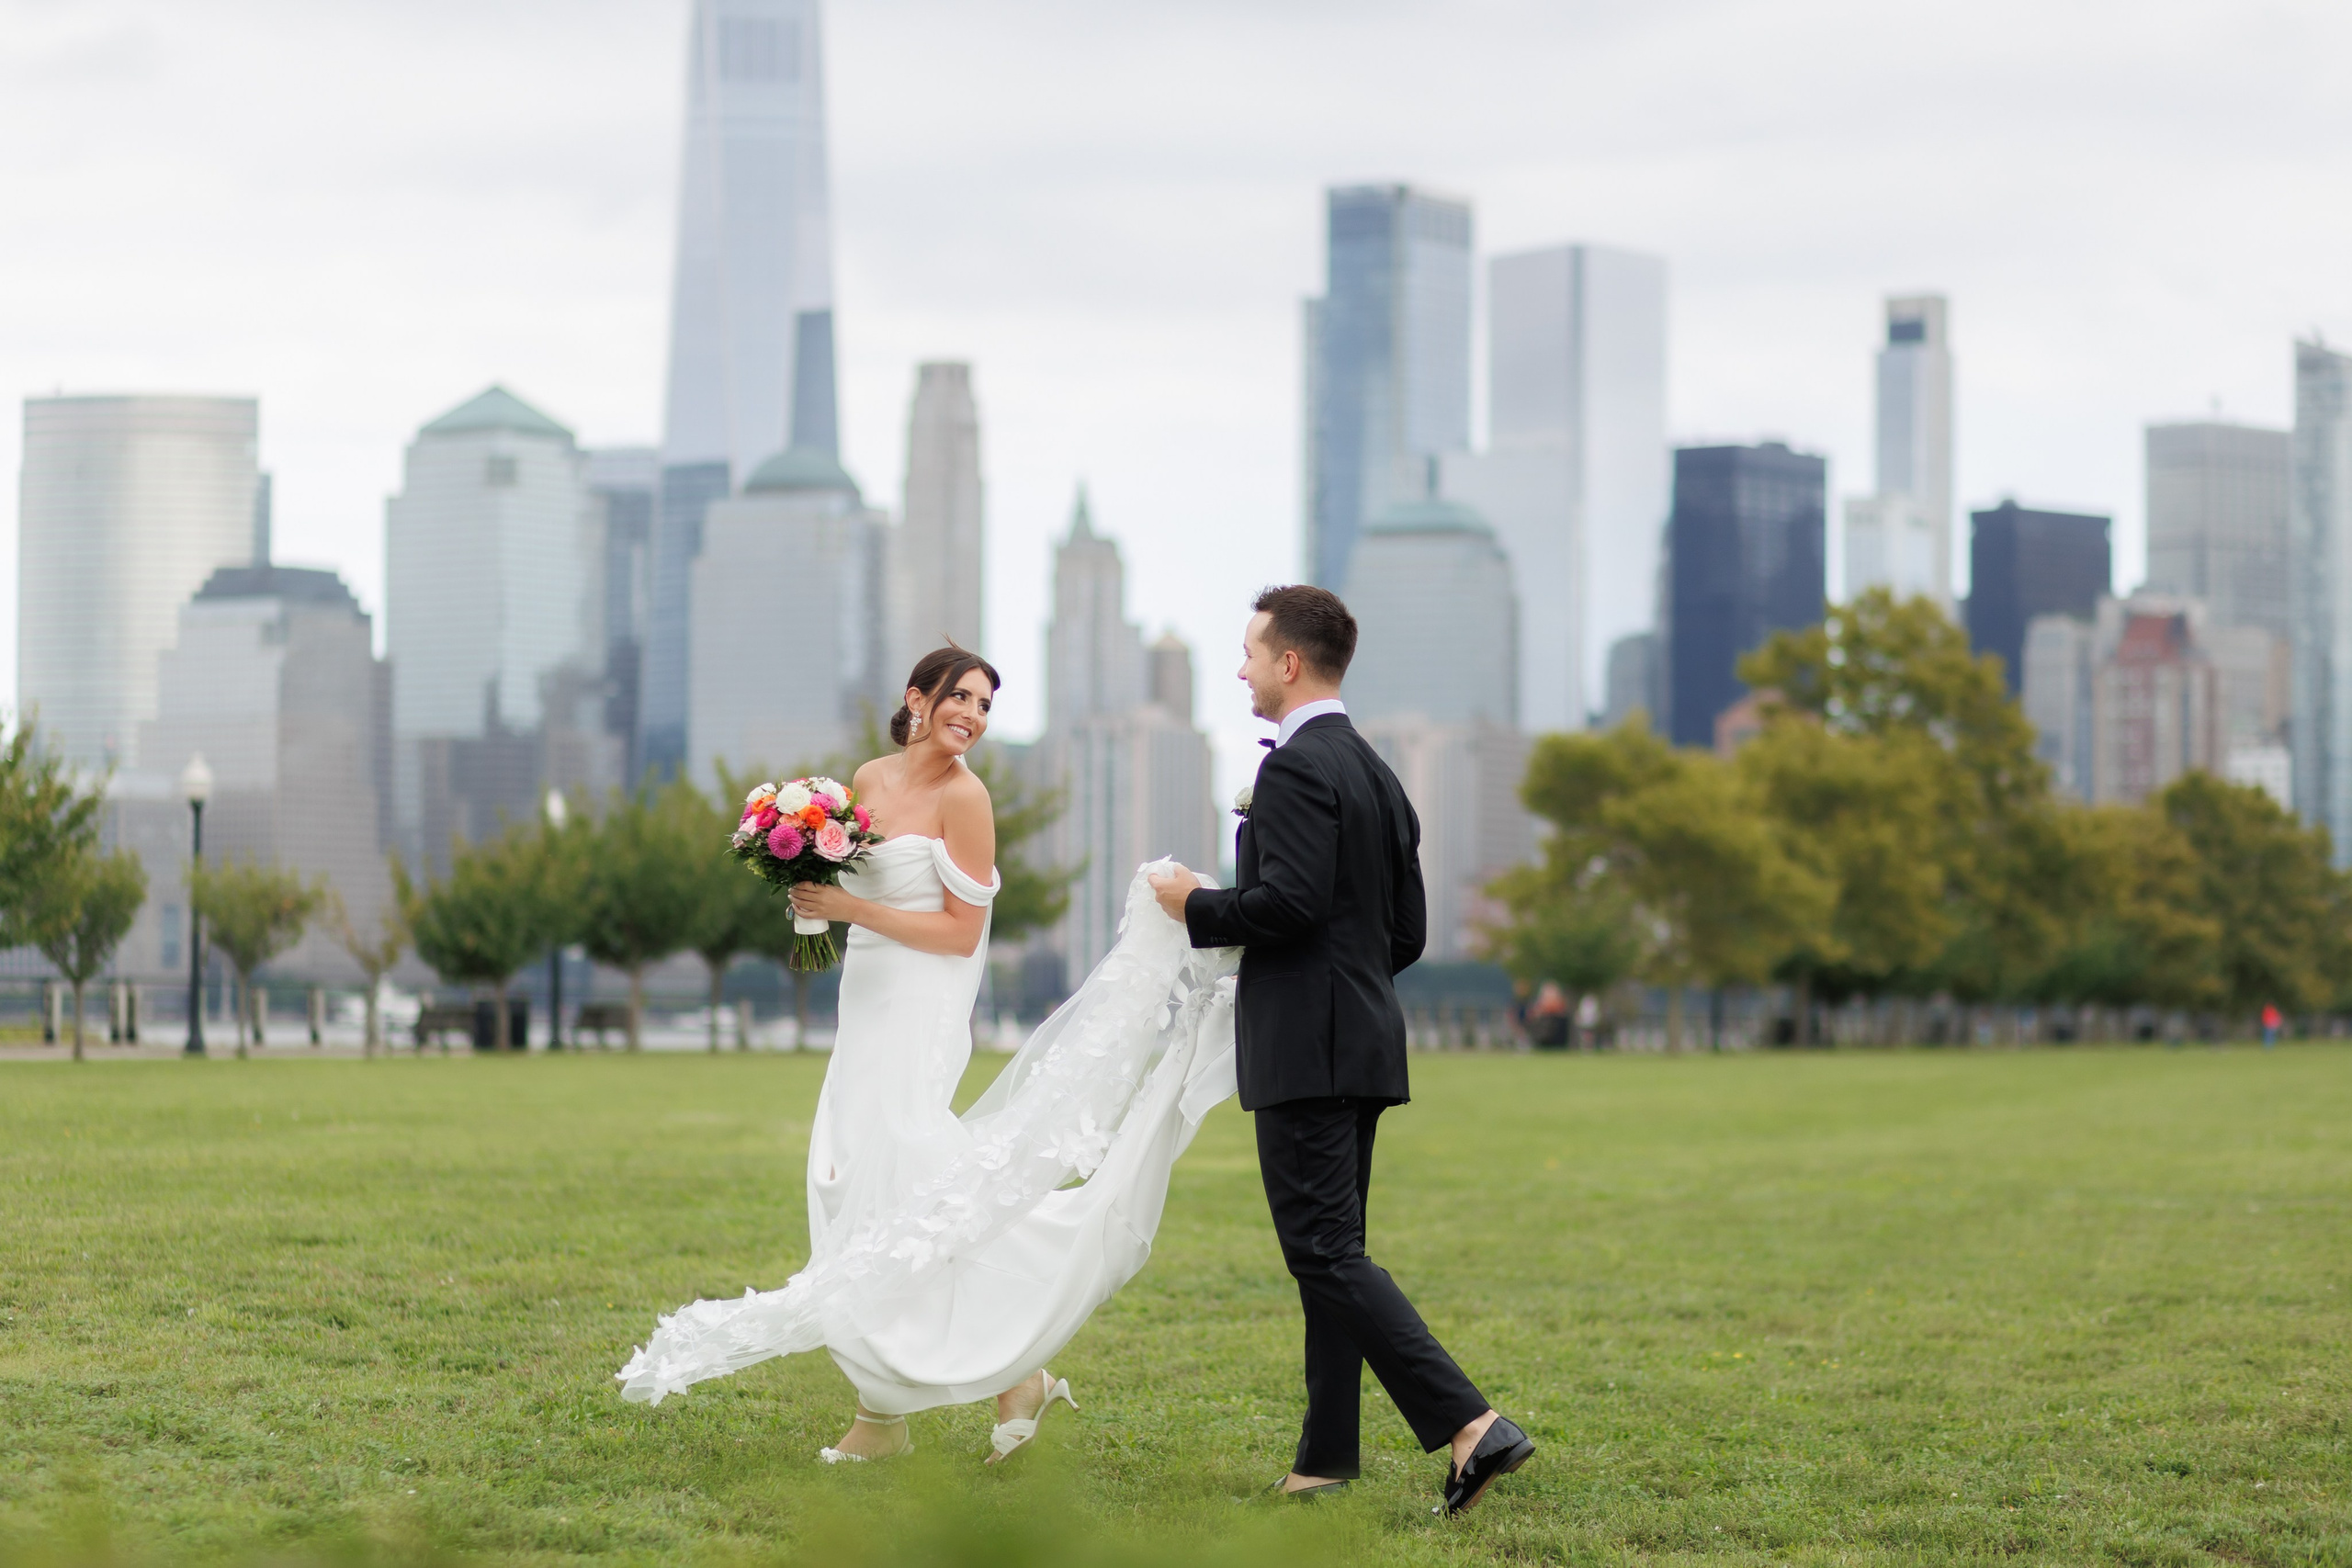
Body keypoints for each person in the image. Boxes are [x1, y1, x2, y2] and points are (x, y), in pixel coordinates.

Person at [617, 645, 1245, 1470]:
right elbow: (851, 880)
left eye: (986, 705)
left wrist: (846, 904)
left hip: (923, 1002)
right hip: (866, 995)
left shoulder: (968, 798)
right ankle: (983, 1388)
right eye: (962, 697)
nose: (974, 716)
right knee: (856, 1177)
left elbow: (959, 932)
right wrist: (811, 895)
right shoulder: (867, 782)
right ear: (918, 697)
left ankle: (889, 1413)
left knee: (896, 1176)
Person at [1148, 585, 1533, 1517]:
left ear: (1289, 663)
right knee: (1332, 1251)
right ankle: (1324, 1458)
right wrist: (1340, 978)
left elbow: (1288, 905)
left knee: (1322, 1251)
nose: (1238, 670)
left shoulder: (1294, 772)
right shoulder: (1376, 771)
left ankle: (1472, 1425)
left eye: (1247, 653)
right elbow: (1403, 932)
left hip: (1306, 1050)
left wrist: (1191, 902)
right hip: (1360, 1041)